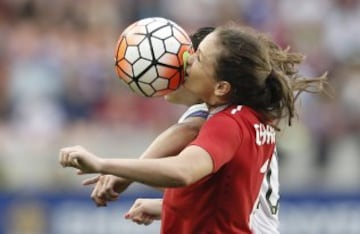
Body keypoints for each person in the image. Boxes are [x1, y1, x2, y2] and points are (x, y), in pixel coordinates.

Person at [59, 23, 327, 233]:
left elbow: (184, 166)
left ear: (222, 86)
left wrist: (105, 165)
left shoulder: (226, 121)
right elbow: (227, 197)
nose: (185, 61)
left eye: (198, 58)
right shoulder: (251, 116)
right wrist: (170, 206)